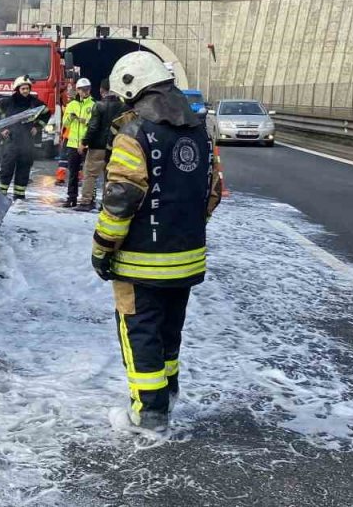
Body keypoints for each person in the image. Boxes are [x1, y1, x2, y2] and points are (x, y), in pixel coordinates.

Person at [90, 51, 222, 433]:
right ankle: (168, 395)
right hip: (187, 258)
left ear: (133, 88)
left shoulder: (134, 134)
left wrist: (102, 249)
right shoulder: (200, 131)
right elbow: (212, 191)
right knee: (168, 332)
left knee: (141, 333)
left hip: (139, 262)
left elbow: (121, 200)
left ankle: (148, 413)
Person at [0, 75, 50, 200]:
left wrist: (37, 127)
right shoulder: (8, 102)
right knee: (6, 168)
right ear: (17, 89)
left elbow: (47, 113)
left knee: (24, 168)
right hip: (11, 141)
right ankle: (1, 194)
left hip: (27, 142)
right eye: (23, 89)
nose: (25, 91)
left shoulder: (34, 102)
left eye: (27, 88)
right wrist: (2, 129)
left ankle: (19, 195)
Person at [76, 78, 126, 212]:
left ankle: (86, 202)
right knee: (110, 176)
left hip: (97, 147)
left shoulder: (99, 106)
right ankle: (106, 204)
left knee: (90, 174)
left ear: (101, 90)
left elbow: (93, 127)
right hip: (115, 147)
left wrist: (84, 142)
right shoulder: (123, 107)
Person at [61, 78, 95, 208]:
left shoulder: (93, 105)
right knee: (73, 173)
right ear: (78, 90)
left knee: (89, 174)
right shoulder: (72, 105)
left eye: (87, 89)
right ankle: (71, 198)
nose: (85, 92)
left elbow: (94, 124)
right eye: (82, 89)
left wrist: (82, 120)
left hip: (87, 144)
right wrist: (70, 117)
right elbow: (65, 124)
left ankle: (89, 198)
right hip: (73, 144)